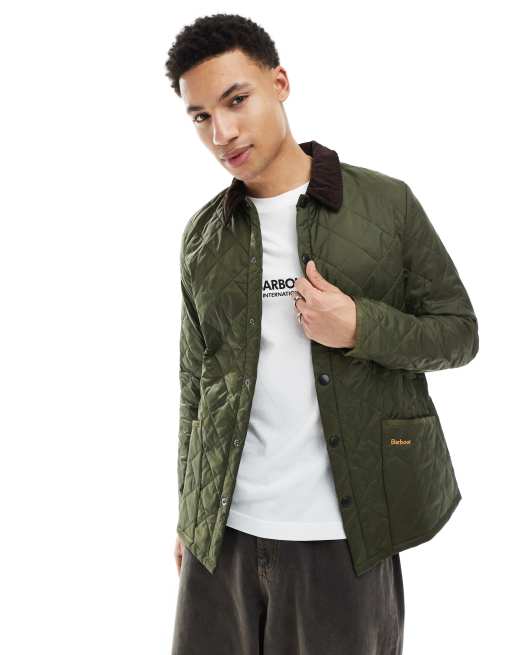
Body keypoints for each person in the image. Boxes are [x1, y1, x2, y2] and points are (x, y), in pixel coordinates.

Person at [164, 13, 479, 655]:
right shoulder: (203, 237)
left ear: (279, 83)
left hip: (341, 537)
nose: (222, 133)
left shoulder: (385, 205)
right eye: (200, 117)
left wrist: (362, 325)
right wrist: (191, 511)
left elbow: (459, 333)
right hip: (223, 534)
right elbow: (195, 385)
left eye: (236, 100)